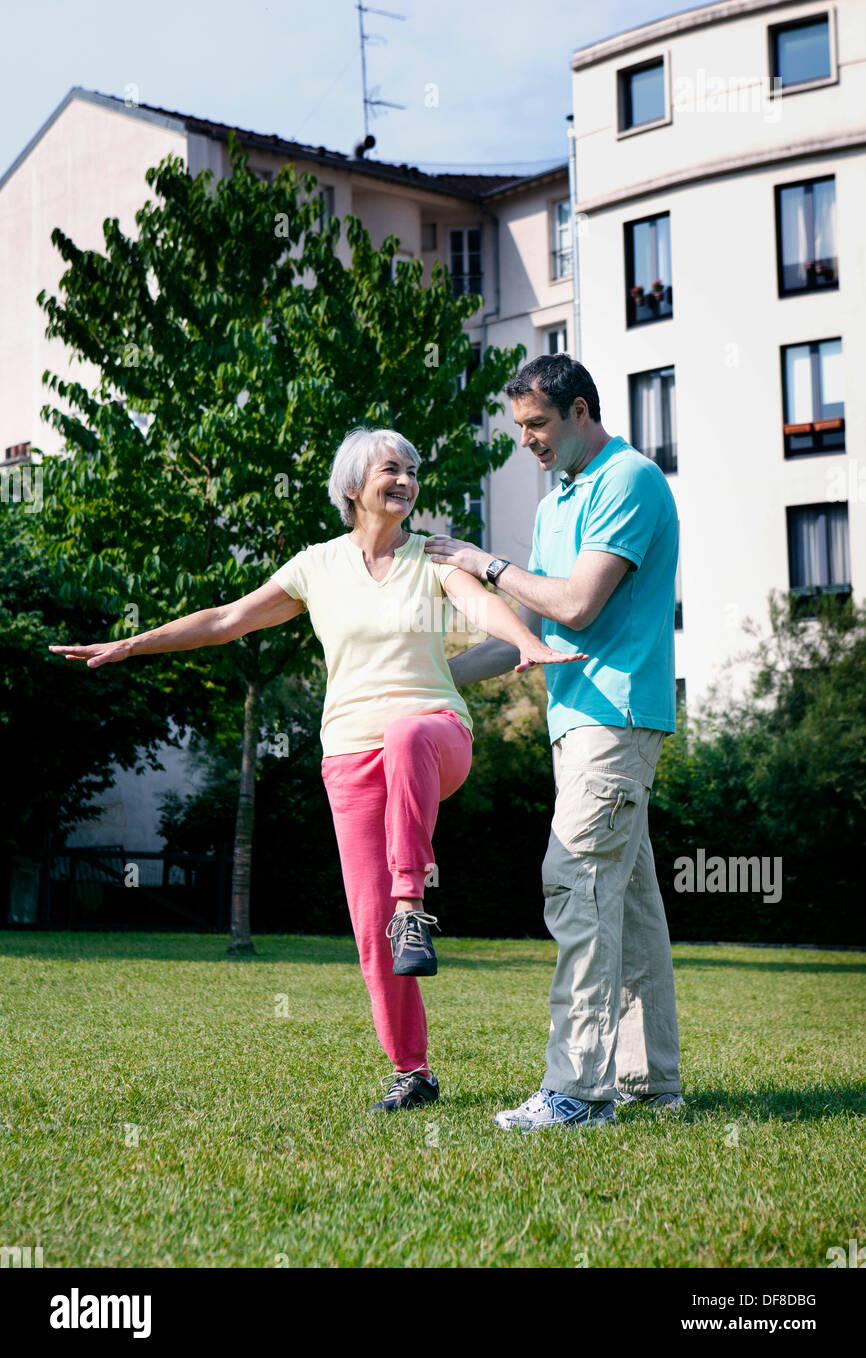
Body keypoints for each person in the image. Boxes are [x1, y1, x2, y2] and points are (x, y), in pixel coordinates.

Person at [50, 426, 582, 1114]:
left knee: (406, 736)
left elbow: (480, 602)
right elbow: (227, 620)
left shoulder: (434, 556)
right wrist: (131, 644)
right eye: (393, 469)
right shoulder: (317, 567)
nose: (407, 481)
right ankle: (412, 1070)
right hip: (348, 757)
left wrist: (524, 642)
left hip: (435, 736)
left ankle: (413, 905)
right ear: (354, 486)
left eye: (413, 471)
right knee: (368, 924)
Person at [425, 354, 684, 1130]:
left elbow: (574, 604)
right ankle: (649, 1085)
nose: (527, 441)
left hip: (616, 717)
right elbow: (523, 640)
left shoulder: (629, 480)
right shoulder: (555, 503)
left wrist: (484, 563)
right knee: (628, 908)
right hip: (575, 725)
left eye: (537, 424)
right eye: (520, 428)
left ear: (579, 411)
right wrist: (432, 680)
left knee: (575, 886)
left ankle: (576, 1093)